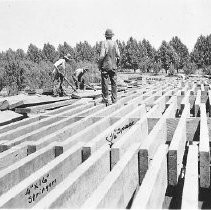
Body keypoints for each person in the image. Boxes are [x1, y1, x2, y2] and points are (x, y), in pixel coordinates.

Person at [98, 29, 120, 105]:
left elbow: (102, 56)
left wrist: (99, 64)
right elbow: (118, 55)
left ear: (105, 36)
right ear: (112, 36)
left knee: (105, 83)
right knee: (114, 83)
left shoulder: (104, 43)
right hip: (113, 67)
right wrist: (116, 64)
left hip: (106, 66)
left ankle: (105, 99)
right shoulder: (115, 43)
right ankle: (114, 99)